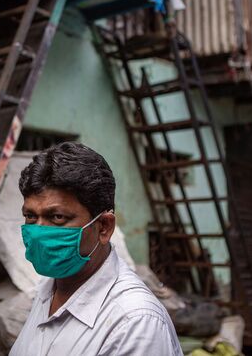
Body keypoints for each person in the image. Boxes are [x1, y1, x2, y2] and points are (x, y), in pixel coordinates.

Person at [10, 142, 183, 356]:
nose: (39, 232)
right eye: (30, 216)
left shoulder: (135, 323)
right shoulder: (48, 289)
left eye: (57, 217)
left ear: (104, 227)